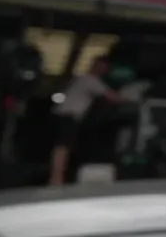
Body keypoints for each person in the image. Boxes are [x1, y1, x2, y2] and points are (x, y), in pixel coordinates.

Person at [49, 56, 121, 186]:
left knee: (64, 147)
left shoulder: (82, 78)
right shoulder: (90, 80)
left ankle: (57, 177)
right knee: (62, 147)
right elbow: (112, 97)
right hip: (68, 116)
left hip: (63, 115)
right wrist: (132, 97)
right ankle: (56, 179)